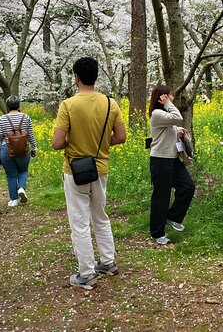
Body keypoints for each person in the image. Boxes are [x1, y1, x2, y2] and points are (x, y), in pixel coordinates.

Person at [51, 57, 126, 290]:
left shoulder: (68, 105)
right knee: (100, 216)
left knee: (79, 222)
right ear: (96, 76)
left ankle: (86, 273)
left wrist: (75, 144)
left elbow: (57, 143)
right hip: (100, 168)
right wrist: (102, 145)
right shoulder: (110, 103)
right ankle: (108, 262)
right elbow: (121, 137)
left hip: (75, 171)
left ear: (76, 77)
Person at [148, 85, 196, 246]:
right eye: (169, 95)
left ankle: (173, 217)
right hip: (160, 160)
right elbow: (177, 118)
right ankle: (157, 232)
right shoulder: (157, 113)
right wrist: (168, 104)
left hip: (173, 159)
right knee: (161, 196)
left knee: (188, 187)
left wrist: (178, 131)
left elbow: (172, 125)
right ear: (162, 98)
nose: (173, 98)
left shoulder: (165, 114)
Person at [0, 96, 38, 207]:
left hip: (6, 149)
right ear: (19, 105)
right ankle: (21, 188)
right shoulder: (26, 117)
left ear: (7, 106)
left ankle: (14, 200)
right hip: (23, 149)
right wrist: (34, 147)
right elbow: (30, 134)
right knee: (23, 170)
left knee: (11, 174)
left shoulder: (2, 118)